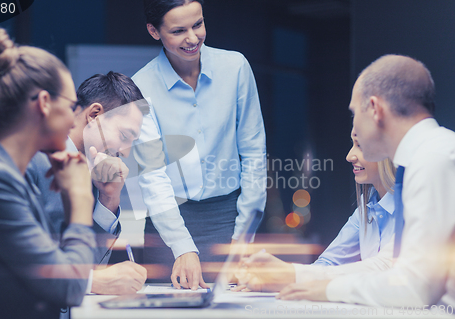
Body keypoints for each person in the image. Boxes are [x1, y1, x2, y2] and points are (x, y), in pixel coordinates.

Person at [275, 54, 455, 307]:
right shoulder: (428, 156)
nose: (355, 127)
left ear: (374, 109)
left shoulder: (433, 159)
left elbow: (414, 287)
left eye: (354, 112)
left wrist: (328, 288)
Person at [0, 28, 95, 319]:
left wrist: (71, 203)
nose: (73, 119)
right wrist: (82, 197)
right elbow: (68, 286)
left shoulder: (8, 174)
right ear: (44, 103)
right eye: (70, 107)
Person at [132, 0, 267, 288]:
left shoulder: (235, 68)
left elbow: (254, 153)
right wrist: (181, 245)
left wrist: (243, 238)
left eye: (198, 24)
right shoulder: (140, 87)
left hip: (230, 217)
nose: (193, 38)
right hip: (167, 222)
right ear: (154, 32)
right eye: (179, 30)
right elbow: (151, 174)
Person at [26, 72, 149, 298]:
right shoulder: (31, 159)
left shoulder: (92, 174)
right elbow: (16, 258)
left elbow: (88, 262)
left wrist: (109, 199)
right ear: (94, 115)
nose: (126, 151)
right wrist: (92, 281)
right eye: (124, 135)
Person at [234, 129, 396, 292]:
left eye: (360, 145)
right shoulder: (366, 210)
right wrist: (273, 280)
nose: (349, 156)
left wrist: (288, 275)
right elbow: (328, 263)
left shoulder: (412, 206)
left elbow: (385, 268)